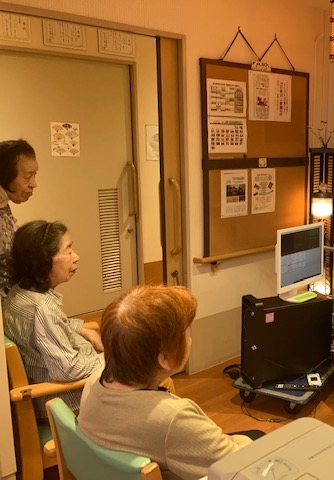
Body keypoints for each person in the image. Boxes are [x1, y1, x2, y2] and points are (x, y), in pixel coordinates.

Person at [79, 284, 260, 480]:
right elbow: (237, 466)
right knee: (258, 439)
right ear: (165, 359)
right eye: (187, 334)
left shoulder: (95, 380)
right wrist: (244, 441)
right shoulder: (173, 418)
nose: (190, 339)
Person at [2, 220, 103, 420]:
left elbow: (44, 329)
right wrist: (111, 359)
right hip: (64, 402)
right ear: (43, 261)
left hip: (51, 392)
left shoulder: (18, 293)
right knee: (148, 383)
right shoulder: (43, 309)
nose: (76, 257)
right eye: (68, 250)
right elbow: (69, 370)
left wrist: (82, 329)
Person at [0, 139, 39, 299]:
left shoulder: (3, 204)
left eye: (35, 175)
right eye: (28, 176)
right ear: (5, 176)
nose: (34, 184)